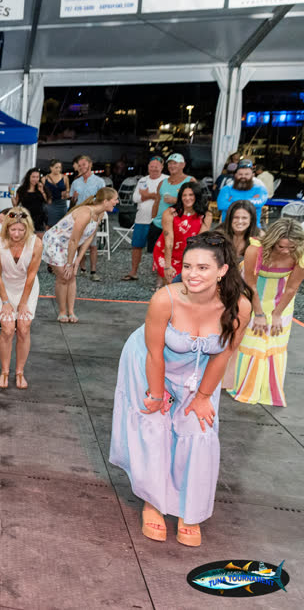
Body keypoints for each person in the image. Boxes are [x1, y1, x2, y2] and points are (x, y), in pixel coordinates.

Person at [110, 232, 251, 548]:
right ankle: (153, 502)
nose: (192, 274)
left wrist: (202, 397)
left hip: (199, 373)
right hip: (149, 363)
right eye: (187, 266)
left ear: (222, 270)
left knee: (199, 429)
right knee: (156, 426)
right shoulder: (166, 299)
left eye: (203, 267)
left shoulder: (240, 306)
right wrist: (157, 394)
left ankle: (191, 510)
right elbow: (154, 352)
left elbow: (224, 353)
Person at [229, 218, 304, 407]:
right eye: (281, 246)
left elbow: (291, 288)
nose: (286, 251)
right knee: (251, 337)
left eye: (291, 247)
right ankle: (240, 385)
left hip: (281, 297)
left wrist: (277, 314)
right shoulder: (255, 250)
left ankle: (267, 390)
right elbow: (250, 284)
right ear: (272, 241)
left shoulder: (301, 253)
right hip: (251, 292)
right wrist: (259, 314)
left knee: (275, 338)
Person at [43, 188, 118, 323]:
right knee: (63, 276)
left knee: (72, 276)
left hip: (70, 244)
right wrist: (69, 263)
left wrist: (77, 260)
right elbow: (74, 240)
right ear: (105, 201)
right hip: (55, 242)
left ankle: (71, 311)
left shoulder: (100, 214)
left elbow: (89, 237)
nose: (117, 202)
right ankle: (62, 312)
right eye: (115, 199)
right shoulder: (85, 213)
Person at [0, 207, 43, 390]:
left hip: (27, 288)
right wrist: (5, 302)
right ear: (6, 228)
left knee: (24, 328)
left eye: (21, 230)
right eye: (13, 229)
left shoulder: (36, 243)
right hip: (4, 287)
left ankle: (20, 371)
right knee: (7, 329)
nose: (17, 234)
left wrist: (23, 302)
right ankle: (4, 371)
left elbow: (31, 275)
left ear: (28, 228)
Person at [153, 181, 212, 286]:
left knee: (188, 285)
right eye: (184, 195)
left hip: (188, 254)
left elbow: (200, 241)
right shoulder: (170, 213)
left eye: (191, 195)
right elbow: (169, 241)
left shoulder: (206, 215)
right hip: (166, 253)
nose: (187, 198)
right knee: (171, 284)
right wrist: (167, 266)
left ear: (197, 196)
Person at [122, 156, 165, 281]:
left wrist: (147, 195)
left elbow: (164, 197)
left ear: (162, 167)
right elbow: (135, 198)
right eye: (151, 166)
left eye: (157, 166)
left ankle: (160, 276)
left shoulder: (166, 180)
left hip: (159, 221)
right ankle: (133, 272)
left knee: (160, 248)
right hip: (141, 219)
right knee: (137, 246)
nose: (154, 169)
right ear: (148, 167)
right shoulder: (142, 180)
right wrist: (153, 195)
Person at [147, 153, 195, 257]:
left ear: (183, 165)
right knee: (157, 256)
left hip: (178, 226)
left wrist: (177, 200)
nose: (172, 166)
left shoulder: (190, 181)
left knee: (176, 256)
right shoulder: (162, 182)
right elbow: (157, 201)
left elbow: (197, 202)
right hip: (158, 225)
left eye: (175, 163)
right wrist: (153, 219)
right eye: (170, 163)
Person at [70, 155, 106, 282]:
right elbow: (72, 203)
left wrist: (99, 217)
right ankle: (82, 268)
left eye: (84, 164)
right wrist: (73, 198)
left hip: (93, 216)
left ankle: (93, 271)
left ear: (90, 165)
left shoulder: (99, 181)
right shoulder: (75, 182)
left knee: (93, 245)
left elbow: (103, 201)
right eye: (79, 165)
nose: (81, 167)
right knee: (78, 243)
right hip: (79, 216)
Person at [217, 160, 269, 225]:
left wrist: (232, 202)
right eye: (240, 174)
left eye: (247, 174)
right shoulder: (226, 189)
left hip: (253, 227)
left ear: (252, 175)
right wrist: (249, 203)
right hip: (228, 226)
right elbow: (222, 205)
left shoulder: (260, 189)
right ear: (235, 175)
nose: (243, 176)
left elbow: (259, 203)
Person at [13, 168, 48, 233]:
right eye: (33, 177)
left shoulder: (41, 187)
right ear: (28, 177)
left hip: (39, 219)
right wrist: (11, 194)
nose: (35, 179)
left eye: (37, 177)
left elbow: (48, 201)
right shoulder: (21, 190)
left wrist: (42, 191)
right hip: (25, 218)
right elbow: (15, 204)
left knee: (39, 237)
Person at [43, 159, 70, 229]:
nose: (58, 169)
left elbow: (68, 189)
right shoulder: (44, 179)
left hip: (61, 204)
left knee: (62, 225)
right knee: (49, 225)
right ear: (51, 168)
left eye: (60, 168)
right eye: (56, 167)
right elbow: (41, 191)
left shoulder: (65, 177)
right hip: (50, 204)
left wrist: (66, 193)